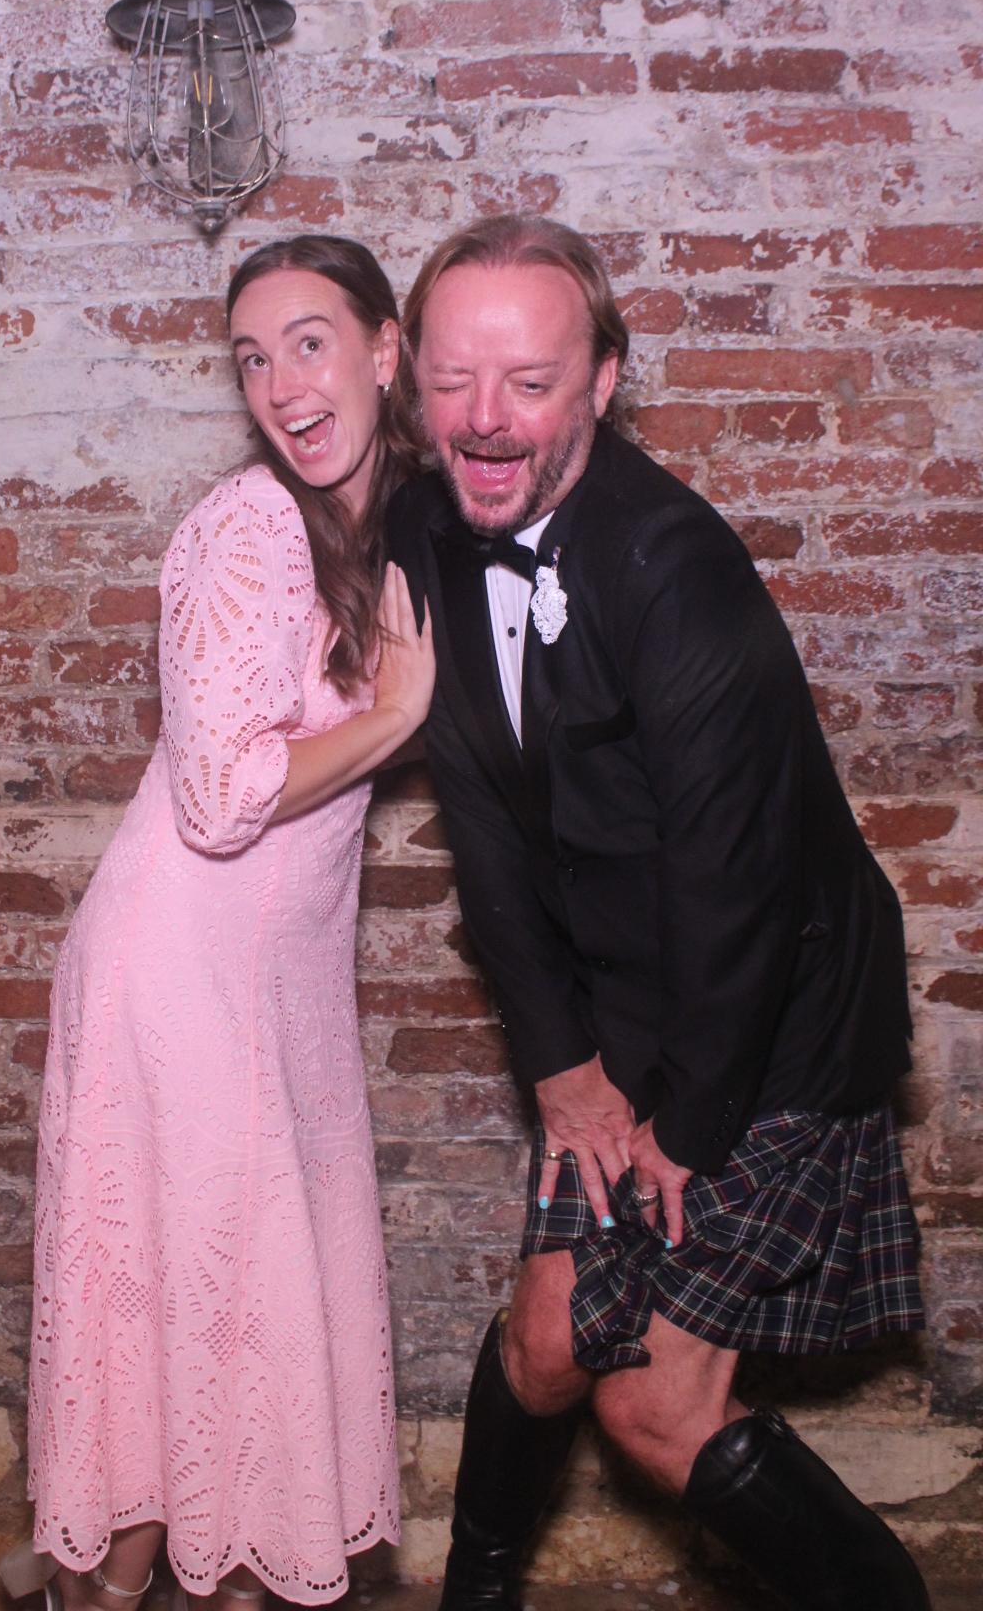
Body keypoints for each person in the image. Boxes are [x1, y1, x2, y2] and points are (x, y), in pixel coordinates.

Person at [387, 214, 928, 1610]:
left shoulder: (676, 568)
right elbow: (487, 838)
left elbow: (738, 886)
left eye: (529, 382)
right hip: (621, 1015)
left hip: (777, 1016)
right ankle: (478, 1594)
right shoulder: (427, 530)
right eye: (453, 381)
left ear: (606, 380)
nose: (486, 422)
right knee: (550, 1346)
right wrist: (566, 1071)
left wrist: (684, 1120)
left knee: (652, 1411)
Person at [3, 235, 434, 1611]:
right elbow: (223, 793)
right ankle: (100, 1591)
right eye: (254, 358)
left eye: (310, 342)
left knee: (245, 1374)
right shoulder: (244, 528)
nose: (282, 385)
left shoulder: (395, 526)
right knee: (168, 1392)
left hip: (281, 980)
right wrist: (401, 716)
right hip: (177, 973)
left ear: (386, 349)